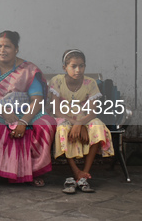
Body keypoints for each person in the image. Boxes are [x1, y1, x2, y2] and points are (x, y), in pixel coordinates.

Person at [0, 30, 56, 193]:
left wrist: (24, 121)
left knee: (46, 123)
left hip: (26, 112)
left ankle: (34, 171)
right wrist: (3, 112)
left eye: (7, 46)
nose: (2, 50)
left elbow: (37, 100)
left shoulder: (28, 69)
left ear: (16, 49)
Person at [48, 49, 114, 194]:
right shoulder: (57, 81)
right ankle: (76, 171)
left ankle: (84, 173)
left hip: (84, 118)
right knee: (63, 129)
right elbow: (56, 110)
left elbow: (92, 112)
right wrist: (74, 123)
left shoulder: (90, 83)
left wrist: (80, 124)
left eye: (82, 66)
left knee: (97, 126)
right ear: (64, 67)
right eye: (73, 66)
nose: (78, 70)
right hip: (65, 117)